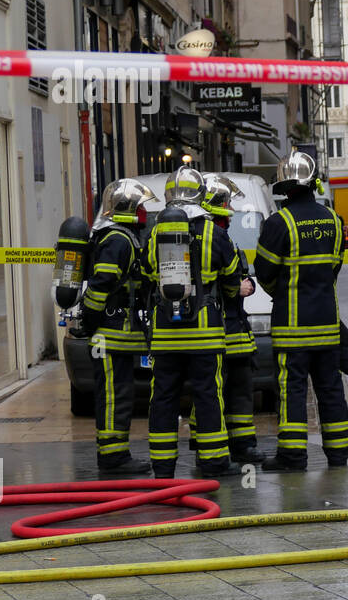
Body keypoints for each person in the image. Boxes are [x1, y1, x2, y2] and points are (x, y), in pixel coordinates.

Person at [254, 151, 348, 470]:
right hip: (328, 328)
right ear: (314, 184)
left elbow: (264, 273)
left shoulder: (278, 223)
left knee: (293, 392)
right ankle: (338, 455)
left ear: (284, 187)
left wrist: (285, 294)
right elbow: (334, 271)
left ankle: (293, 456)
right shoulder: (334, 221)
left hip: (292, 330)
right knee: (330, 391)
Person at [139, 167, 242, 477]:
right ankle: (213, 463)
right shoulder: (215, 232)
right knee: (208, 395)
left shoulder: (158, 231)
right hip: (205, 334)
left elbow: (145, 272)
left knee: (163, 398)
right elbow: (233, 281)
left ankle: (163, 466)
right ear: (200, 194)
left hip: (165, 335)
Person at [80, 178, 157, 474]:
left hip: (119, 336)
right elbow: (101, 286)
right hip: (112, 335)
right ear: (127, 209)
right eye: (140, 208)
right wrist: (92, 320)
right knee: (114, 395)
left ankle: (116, 453)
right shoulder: (118, 240)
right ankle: (113, 458)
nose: (144, 214)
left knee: (119, 394)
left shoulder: (123, 237)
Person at [195, 173, 264, 464]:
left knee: (217, 391)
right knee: (232, 392)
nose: (233, 212)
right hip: (226, 330)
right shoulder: (217, 236)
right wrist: (243, 286)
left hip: (216, 334)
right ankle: (235, 448)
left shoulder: (199, 234)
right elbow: (229, 281)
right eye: (228, 205)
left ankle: (219, 447)